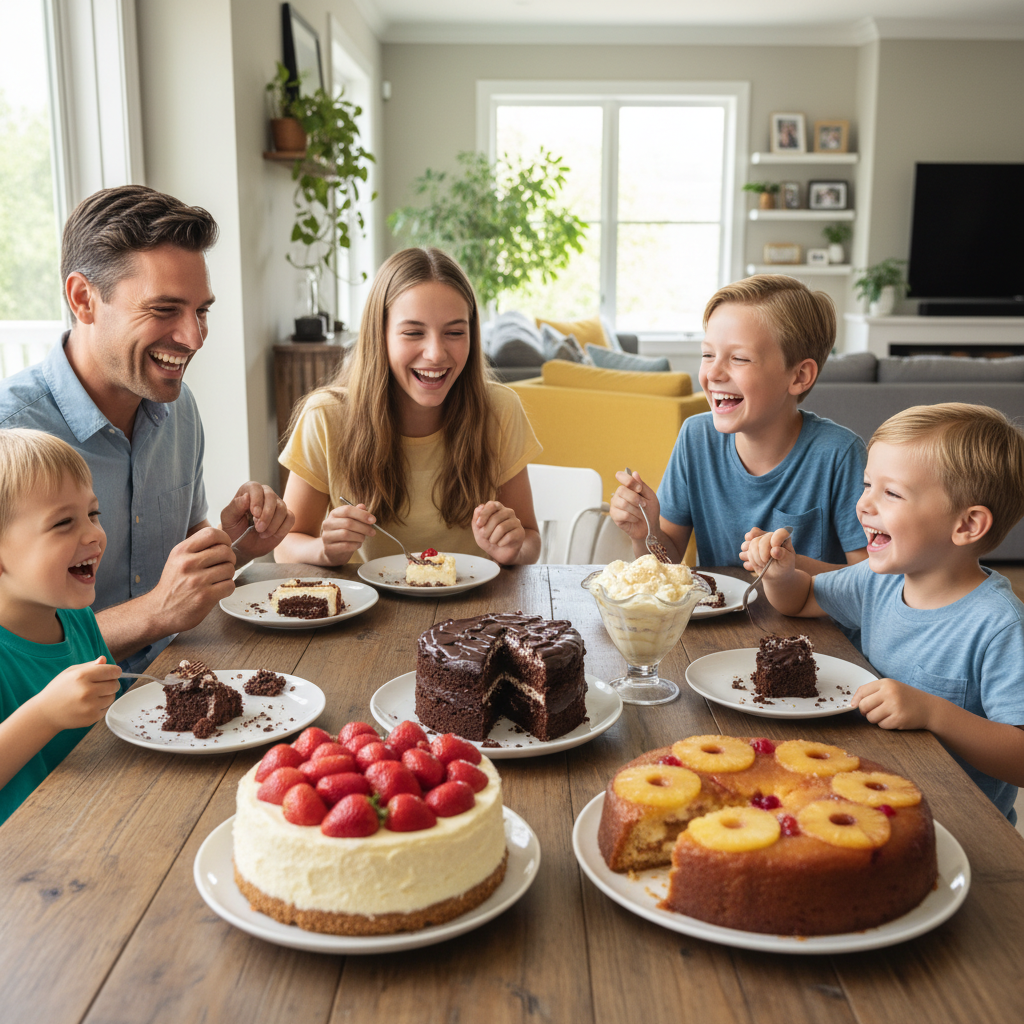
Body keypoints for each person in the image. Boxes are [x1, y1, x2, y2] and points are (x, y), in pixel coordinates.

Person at [0, 186, 294, 670]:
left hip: (184, 678)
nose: (194, 337)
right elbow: (11, 654)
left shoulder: (178, 408)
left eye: (201, 311)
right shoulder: (14, 436)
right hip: (70, 732)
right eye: (164, 310)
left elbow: (177, 564)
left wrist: (238, 546)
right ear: (83, 299)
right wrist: (155, 613)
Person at [748, 403, 1024, 822]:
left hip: (958, 822)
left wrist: (933, 712)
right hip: (867, 794)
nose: (864, 505)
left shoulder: (999, 624)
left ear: (967, 526)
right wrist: (781, 574)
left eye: (891, 493)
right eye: (867, 485)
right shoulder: (880, 580)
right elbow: (802, 599)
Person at [275, 247, 542, 567]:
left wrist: (512, 549)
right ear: (380, 335)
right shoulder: (326, 417)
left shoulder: (500, 410)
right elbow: (286, 545)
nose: (435, 353)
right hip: (367, 611)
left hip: (476, 612)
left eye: (455, 332)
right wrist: (324, 550)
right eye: (414, 332)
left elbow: (529, 539)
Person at [610, 275, 867, 573]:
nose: (713, 373)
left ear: (798, 376)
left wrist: (792, 568)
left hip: (809, 621)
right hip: (723, 620)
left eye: (740, 359)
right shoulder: (696, 438)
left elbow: (870, 579)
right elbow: (667, 564)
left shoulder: (840, 454)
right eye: (708, 355)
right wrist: (647, 533)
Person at [0, 429, 123, 825]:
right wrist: (45, 715)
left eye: (93, 513)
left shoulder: (76, 617)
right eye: (63, 523)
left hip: (98, 818)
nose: (93, 534)